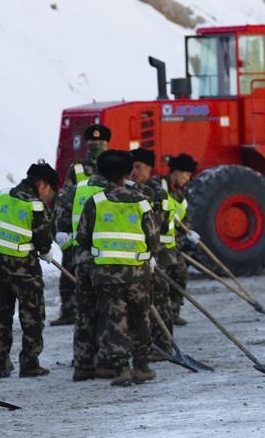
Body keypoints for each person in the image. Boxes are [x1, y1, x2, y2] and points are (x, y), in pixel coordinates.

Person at [75, 150, 159, 386]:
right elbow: (154, 239)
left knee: (114, 321)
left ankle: (120, 369)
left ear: (101, 173)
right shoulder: (142, 201)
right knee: (141, 318)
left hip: (106, 274)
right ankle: (141, 366)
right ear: (127, 172)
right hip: (137, 273)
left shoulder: (95, 202)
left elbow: (82, 237)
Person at [0, 162, 57, 378]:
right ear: (41, 184)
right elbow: (42, 238)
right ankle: (29, 363)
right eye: (50, 189)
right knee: (32, 316)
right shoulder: (36, 206)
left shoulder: (1, 195)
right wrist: (46, 250)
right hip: (24, 269)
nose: (49, 195)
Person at [52, 123, 111, 325]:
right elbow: (65, 199)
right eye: (93, 142)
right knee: (69, 270)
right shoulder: (77, 169)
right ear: (87, 144)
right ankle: (68, 311)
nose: (97, 145)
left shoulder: (113, 164)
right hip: (77, 232)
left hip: (104, 229)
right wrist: (62, 229)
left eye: (101, 142)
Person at [55, 163, 108, 381]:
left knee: (86, 312)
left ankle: (84, 363)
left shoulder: (80, 186)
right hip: (105, 260)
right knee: (106, 310)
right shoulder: (115, 190)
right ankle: (105, 362)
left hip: (82, 255)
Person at [128, 148, 174, 351]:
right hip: (137, 257)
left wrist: (152, 253)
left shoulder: (157, 193)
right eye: (131, 167)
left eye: (138, 167)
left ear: (149, 169)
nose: (133, 172)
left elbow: (156, 226)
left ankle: (164, 345)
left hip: (158, 256)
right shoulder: (128, 190)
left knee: (160, 301)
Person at [161, 153, 199, 325]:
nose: (187, 178)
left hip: (173, 245)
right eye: (185, 174)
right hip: (158, 245)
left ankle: (173, 312)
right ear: (175, 172)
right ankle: (160, 316)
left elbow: (184, 219)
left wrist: (189, 232)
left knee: (181, 275)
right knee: (160, 283)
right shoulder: (158, 186)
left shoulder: (181, 196)